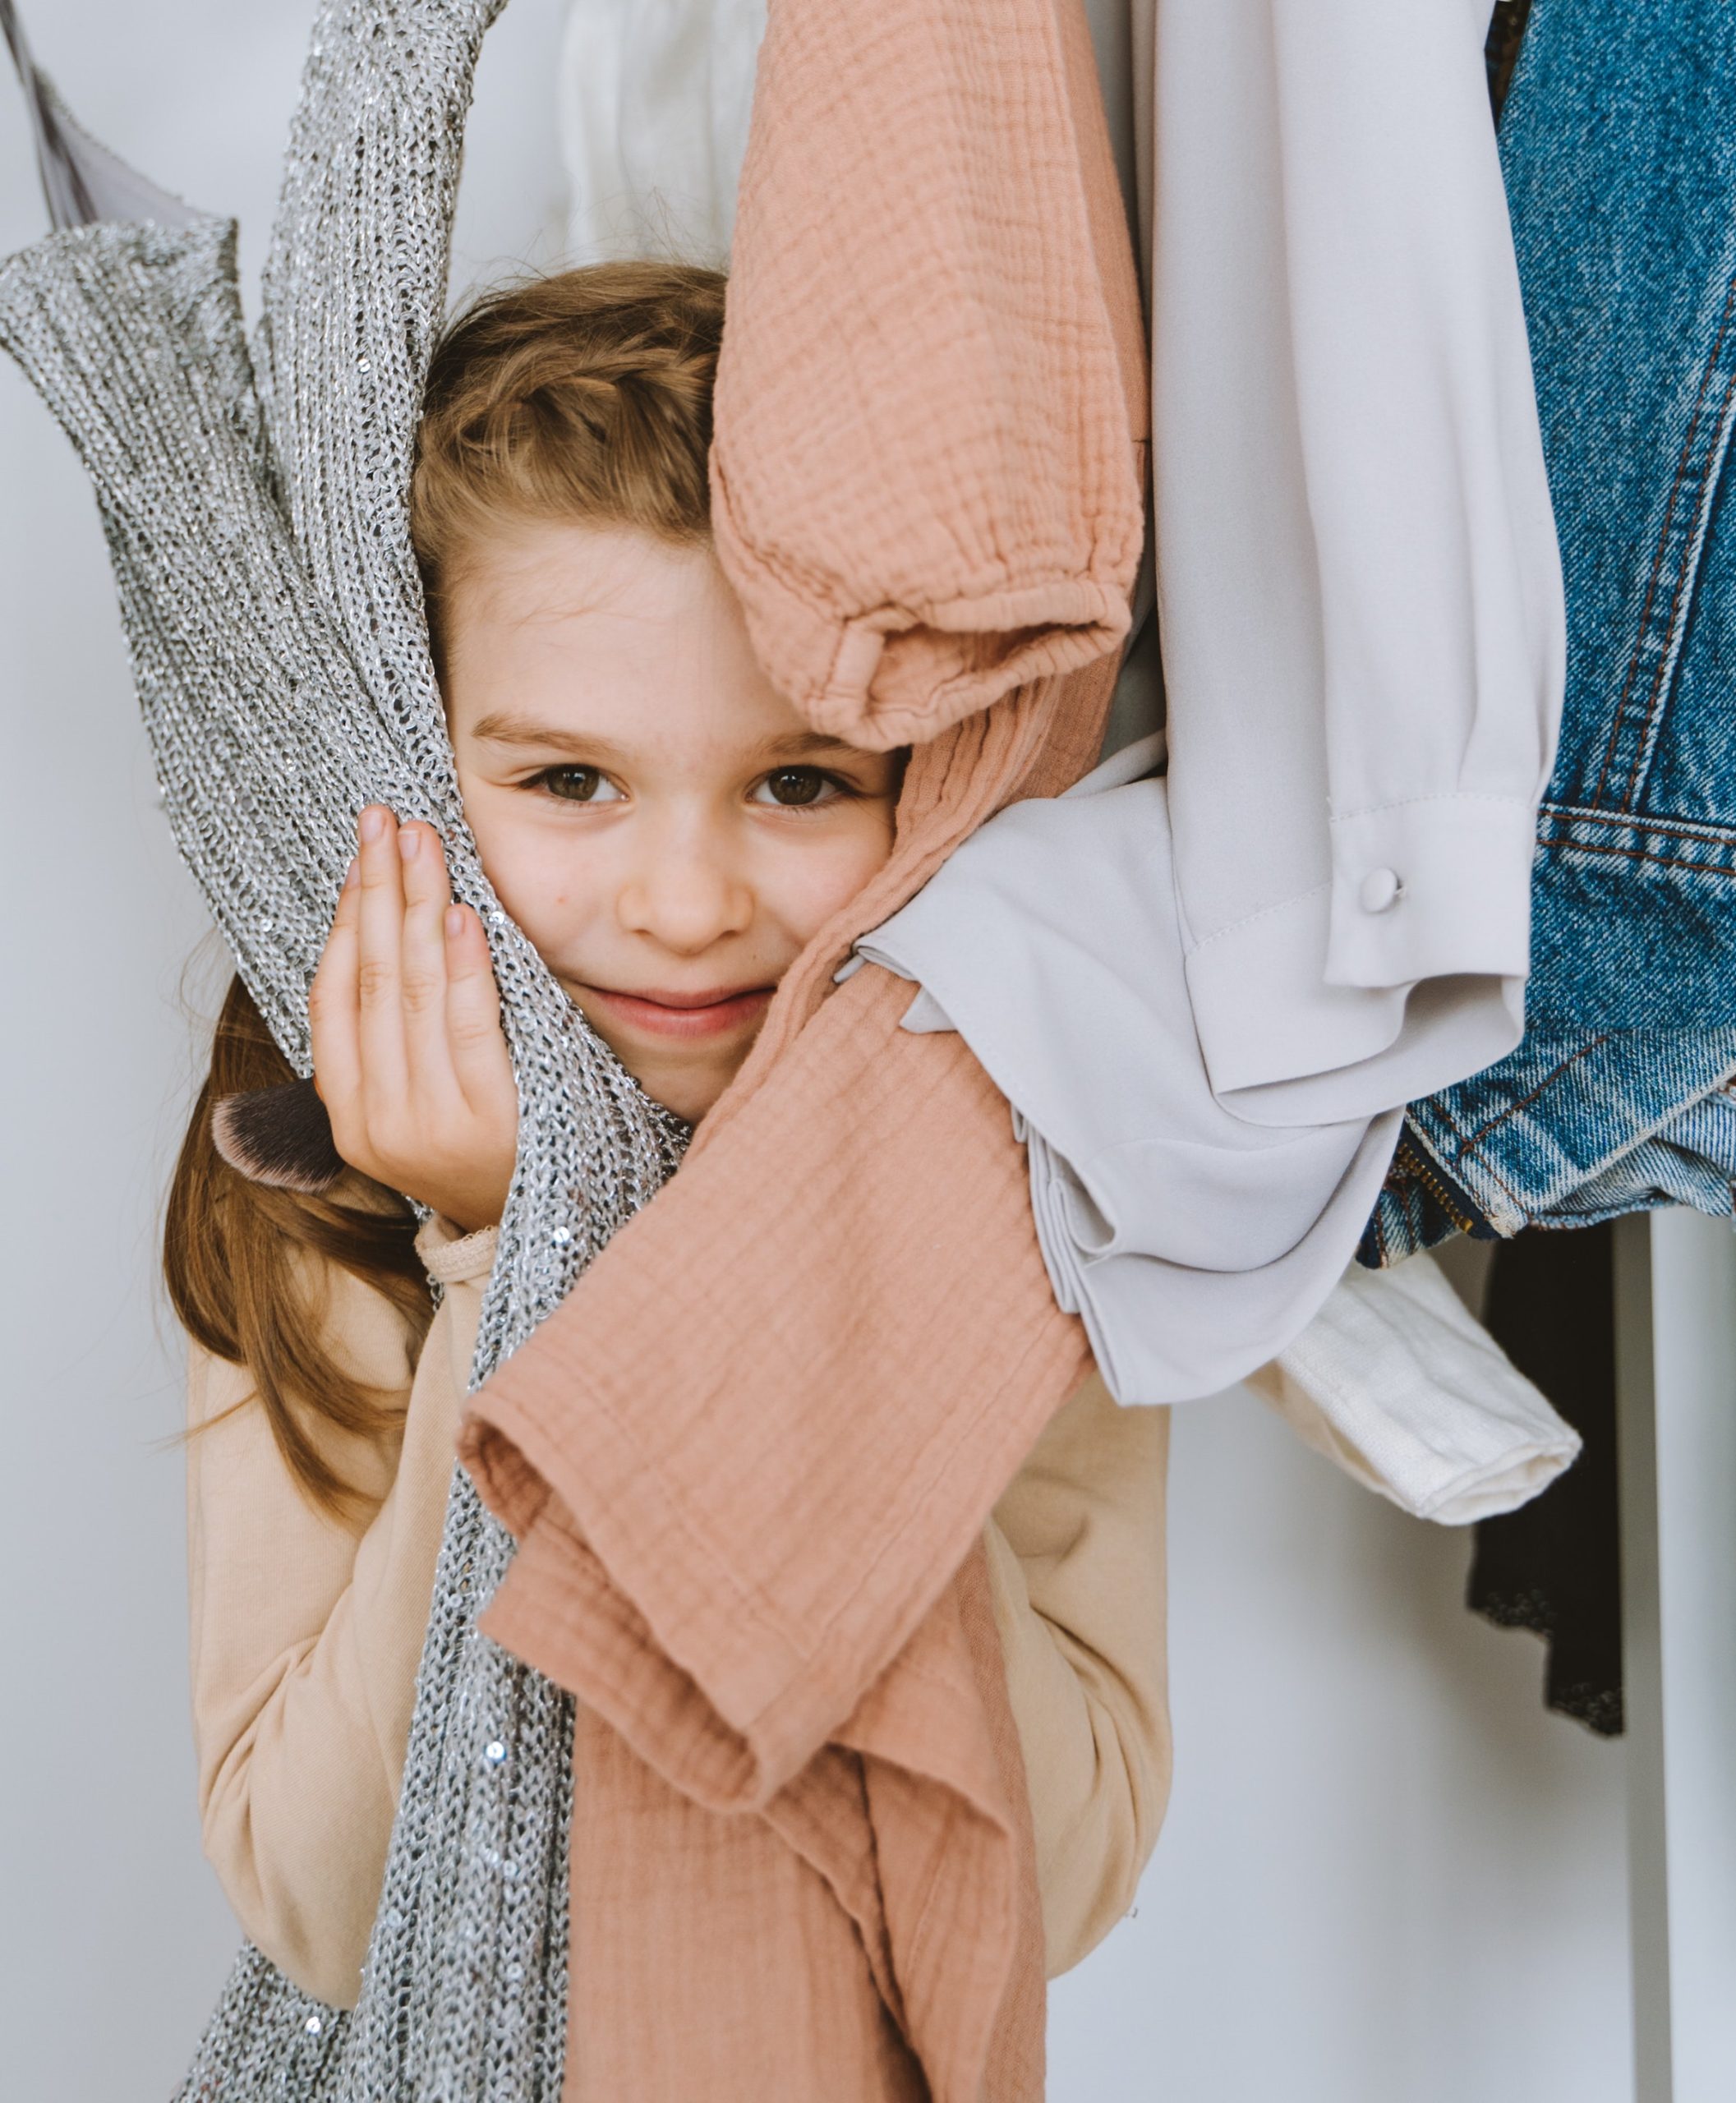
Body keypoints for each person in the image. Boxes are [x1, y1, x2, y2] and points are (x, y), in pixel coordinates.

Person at [165, 260, 1170, 2013]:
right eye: (567, 780)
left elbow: (1056, 1873)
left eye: (797, 782)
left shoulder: (1030, 1149)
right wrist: (507, 1255)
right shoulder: (304, 1178)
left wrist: (807, 1236)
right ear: (413, 763)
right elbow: (326, 1909)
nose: (688, 904)